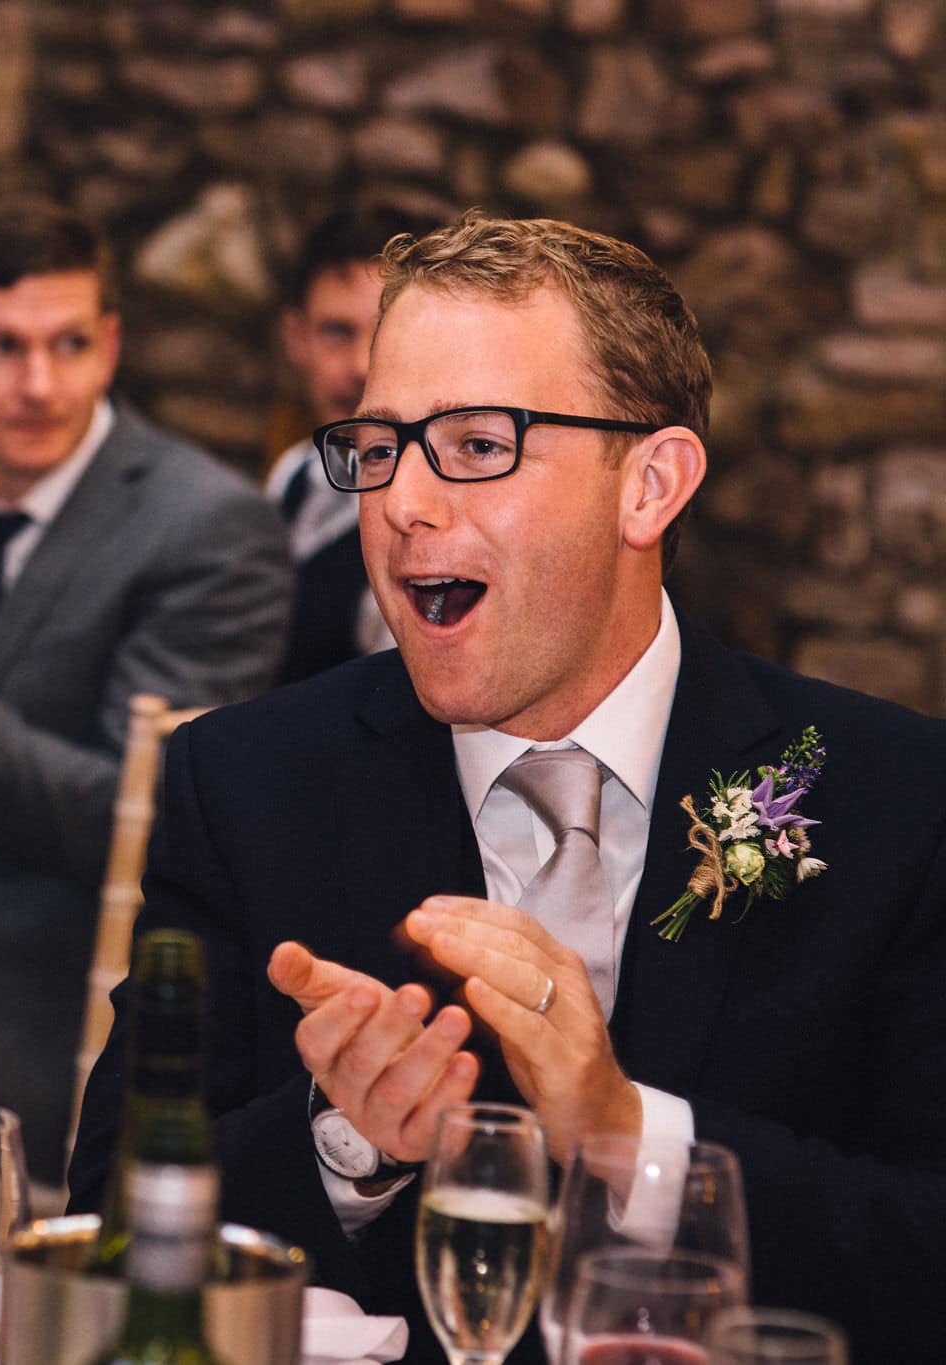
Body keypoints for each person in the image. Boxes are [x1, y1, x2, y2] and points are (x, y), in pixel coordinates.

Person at [68, 212, 946, 1363]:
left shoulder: (890, 798)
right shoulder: (249, 782)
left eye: (477, 444)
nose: (400, 505)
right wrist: (346, 1142)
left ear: (650, 484)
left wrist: (624, 1134)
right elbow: (103, 1218)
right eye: (378, 448)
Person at [0, 196, 290, 1180]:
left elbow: (130, 814)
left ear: (110, 346)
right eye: (2, 348)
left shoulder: (205, 529)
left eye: (68, 344)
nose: (39, 384)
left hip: (48, 1004)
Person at [264, 207, 441, 684]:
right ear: (296, 338)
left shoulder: (441, 514)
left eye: (386, 331)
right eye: (337, 332)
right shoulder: (293, 474)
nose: (362, 365)